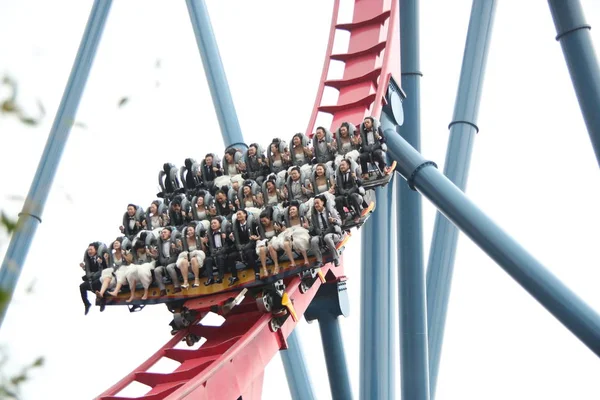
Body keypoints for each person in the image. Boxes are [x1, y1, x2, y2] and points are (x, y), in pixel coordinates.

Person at [96, 237, 131, 310]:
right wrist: (106, 260)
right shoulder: (112, 255)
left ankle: (115, 292)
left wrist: (123, 255)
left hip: (124, 271)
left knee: (120, 272)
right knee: (107, 276)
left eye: (117, 243)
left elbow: (130, 261)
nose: (115, 244)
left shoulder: (127, 252)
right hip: (115, 272)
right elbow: (110, 266)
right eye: (114, 243)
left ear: (121, 244)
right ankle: (101, 293)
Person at [309, 195, 342, 267]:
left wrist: (334, 220)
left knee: (327, 237)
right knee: (313, 240)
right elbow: (315, 227)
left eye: (317, 203)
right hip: (321, 234)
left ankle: (336, 258)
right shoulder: (314, 215)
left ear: (323, 202)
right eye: (315, 204)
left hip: (333, 233)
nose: (316, 205)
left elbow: (340, 222)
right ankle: (319, 261)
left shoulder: (331, 211)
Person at [229, 209, 260, 284]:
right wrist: (232, 238)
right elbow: (235, 240)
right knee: (231, 256)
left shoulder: (252, 223)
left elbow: (258, 235)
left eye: (240, 214)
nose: (238, 216)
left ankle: (257, 273)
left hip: (251, 246)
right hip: (241, 248)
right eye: (237, 214)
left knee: (249, 252)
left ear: (245, 214)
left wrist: (255, 237)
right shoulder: (235, 226)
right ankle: (235, 276)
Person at [79, 242, 108, 315]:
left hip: (103, 277)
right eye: (88, 250)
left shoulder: (101, 256)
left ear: (96, 250)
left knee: (96, 283)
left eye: (91, 250)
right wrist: (84, 268)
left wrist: (101, 262)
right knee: (82, 286)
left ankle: (102, 300)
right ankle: (87, 304)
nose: (89, 251)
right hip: (93, 278)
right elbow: (90, 270)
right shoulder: (89, 259)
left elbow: (106, 267)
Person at [153, 227, 182, 296]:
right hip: (165, 263)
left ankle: (177, 286)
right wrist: (153, 254)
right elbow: (158, 257)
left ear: (170, 233)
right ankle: (162, 289)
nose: (163, 234)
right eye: (162, 233)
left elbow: (180, 251)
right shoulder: (160, 245)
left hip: (175, 262)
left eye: (165, 232)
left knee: (169, 267)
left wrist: (175, 248)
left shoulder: (176, 240)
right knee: (156, 270)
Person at [256, 207, 285, 275]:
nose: (263, 223)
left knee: (270, 247)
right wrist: (257, 238)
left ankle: (276, 266)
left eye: (265, 221)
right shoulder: (261, 227)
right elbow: (261, 238)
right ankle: (264, 269)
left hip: (276, 244)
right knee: (262, 249)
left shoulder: (275, 223)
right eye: (262, 221)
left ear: (269, 218)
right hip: (266, 243)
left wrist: (279, 229)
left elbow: (286, 231)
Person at [334, 159, 364, 223]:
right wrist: (345, 192)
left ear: (348, 165)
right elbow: (340, 188)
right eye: (340, 165)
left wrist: (355, 178)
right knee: (337, 199)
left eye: (343, 165)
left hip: (355, 194)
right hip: (344, 195)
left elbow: (360, 183)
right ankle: (343, 217)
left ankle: (358, 215)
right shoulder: (339, 176)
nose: (341, 167)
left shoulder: (354, 172)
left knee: (353, 196)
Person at [202, 217, 230, 285]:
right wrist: (206, 243)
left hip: (224, 254)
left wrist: (226, 238)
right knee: (208, 259)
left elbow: (230, 244)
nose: (213, 225)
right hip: (214, 253)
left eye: (215, 223)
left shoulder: (226, 231)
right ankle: (210, 278)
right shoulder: (209, 234)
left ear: (220, 224)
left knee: (220, 257)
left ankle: (220, 276)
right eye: (211, 223)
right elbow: (209, 248)